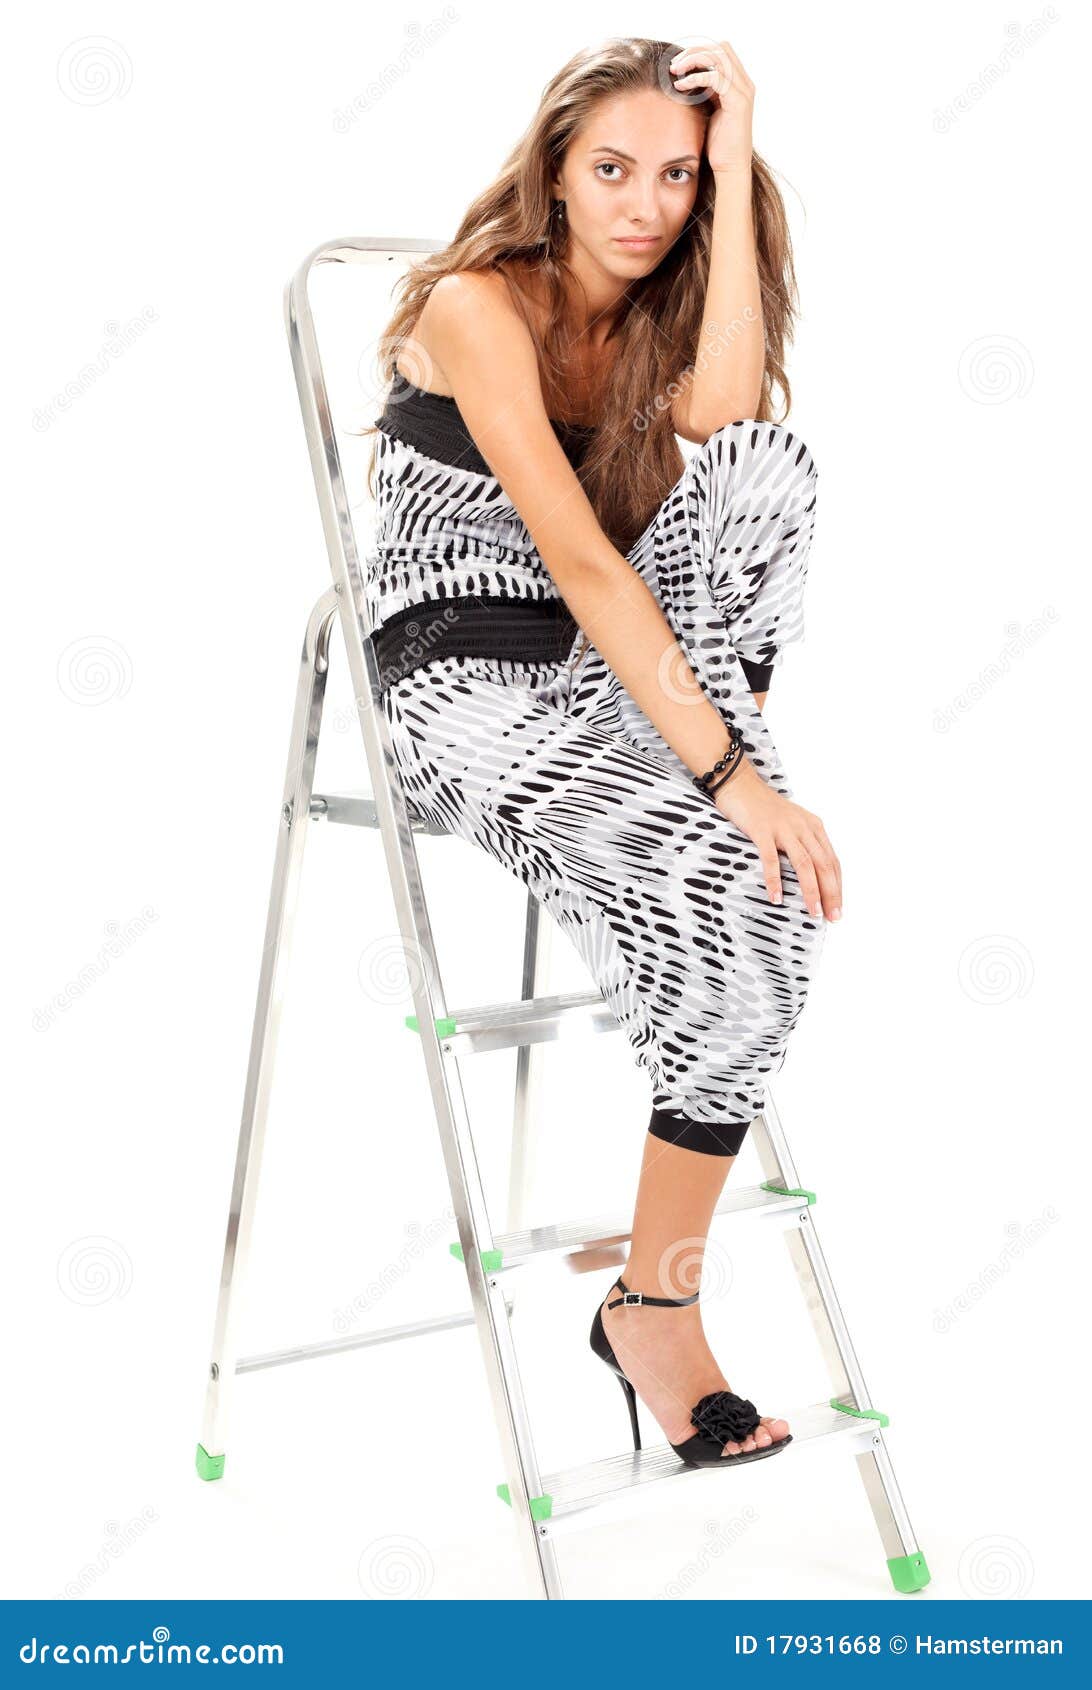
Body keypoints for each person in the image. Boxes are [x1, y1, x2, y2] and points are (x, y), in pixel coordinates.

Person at [359, 36, 842, 1467]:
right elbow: (575, 550)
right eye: (612, 169)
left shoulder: (658, 311)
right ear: (554, 174)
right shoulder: (473, 303)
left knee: (764, 462)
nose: (643, 203)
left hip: (623, 681)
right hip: (468, 679)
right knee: (743, 894)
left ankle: (648, 1297)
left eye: (678, 177)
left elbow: (724, 423)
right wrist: (728, 778)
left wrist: (742, 156)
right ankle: (670, 1314)